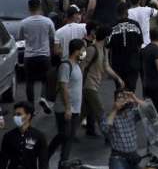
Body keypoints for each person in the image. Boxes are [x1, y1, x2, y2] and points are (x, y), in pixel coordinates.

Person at [48, 38, 85, 166]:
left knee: (69, 137)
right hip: (64, 108)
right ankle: (46, 154)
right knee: (64, 135)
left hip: (75, 108)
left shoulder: (77, 65)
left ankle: (63, 162)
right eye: (82, 50)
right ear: (76, 51)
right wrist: (68, 107)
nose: (83, 52)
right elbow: (63, 87)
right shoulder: (65, 65)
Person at [82, 24, 123, 137]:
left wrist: (118, 78)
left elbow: (107, 67)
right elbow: (82, 67)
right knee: (100, 111)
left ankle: (71, 133)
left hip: (94, 84)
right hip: (88, 85)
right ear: (106, 37)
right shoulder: (91, 49)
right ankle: (109, 135)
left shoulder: (104, 50)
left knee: (84, 111)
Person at [17, 0, 55, 106]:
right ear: (40, 7)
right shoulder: (48, 21)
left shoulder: (24, 23)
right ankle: (43, 97)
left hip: (29, 56)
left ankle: (30, 106)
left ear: (29, 8)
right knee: (46, 79)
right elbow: (53, 37)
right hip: (44, 55)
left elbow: (20, 39)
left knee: (30, 81)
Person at [101, 89, 147, 169]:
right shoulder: (110, 115)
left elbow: (149, 110)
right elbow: (105, 129)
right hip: (118, 158)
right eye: (119, 97)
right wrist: (114, 109)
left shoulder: (132, 112)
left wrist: (135, 98)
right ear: (115, 101)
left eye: (124, 97)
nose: (122, 99)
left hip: (133, 157)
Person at [0, 101, 47, 169]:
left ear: (28, 116)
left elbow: (43, 162)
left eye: (19, 114)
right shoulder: (8, 136)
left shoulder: (39, 136)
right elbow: (3, 161)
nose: (15, 117)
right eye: (14, 114)